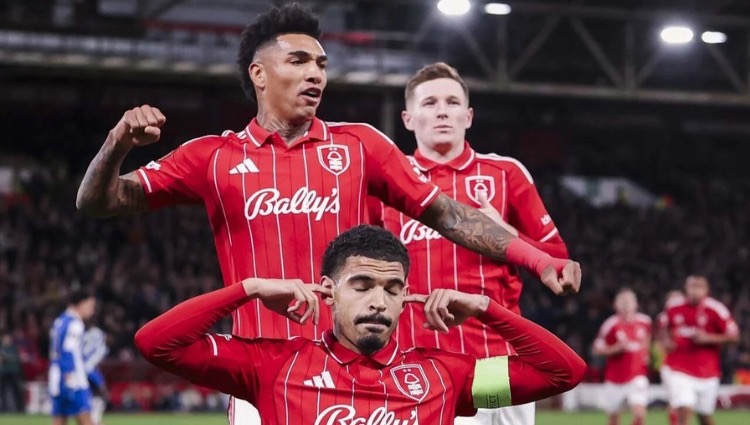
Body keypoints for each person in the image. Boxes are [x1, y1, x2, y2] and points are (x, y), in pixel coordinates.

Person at [75, 5, 578, 424]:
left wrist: (539, 261)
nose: (315, 73)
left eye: (321, 63)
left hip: (359, 371)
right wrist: (117, 143)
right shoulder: (212, 156)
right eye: (298, 61)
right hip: (261, 374)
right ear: (258, 74)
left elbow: (449, 215)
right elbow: (98, 201)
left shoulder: (361, 145)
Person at [134, 225, 585, 424]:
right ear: (328, 291)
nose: (378, 302)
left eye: (392, 289)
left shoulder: (446, 377)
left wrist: (486, 307)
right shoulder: (271, 367)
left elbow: (562, 373)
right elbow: (157, 343)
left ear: (406, 297)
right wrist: (248, 288)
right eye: (362, 285)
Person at [368, 62, 571, 425]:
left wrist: (506, 233)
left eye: (452, 102)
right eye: (429, 103)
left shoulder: (505, 174)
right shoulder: (389, 183)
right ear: (408, 119)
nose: (442, 111)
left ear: (469, 115)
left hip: (503, 359)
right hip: (428, 365)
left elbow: (557, 262)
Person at [658, 276, 739, 425]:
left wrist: (709, 338)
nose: (695, 291)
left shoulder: (716, 309)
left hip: (707, 372)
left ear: (706, 290)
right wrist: (666, 342)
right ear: (686, 288)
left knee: (704, 417)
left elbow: (734, 336)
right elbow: (662, 328)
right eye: (692, 286)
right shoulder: (674, 307)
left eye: (699, 287)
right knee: (685, 408)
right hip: (679, 370)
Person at [592, 288, 651, 425]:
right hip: (615, 378)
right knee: (613, 419)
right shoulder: (610, 325)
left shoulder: (645, 322)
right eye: (623, 302)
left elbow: (647, 338)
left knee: (639, 415)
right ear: (616, 305)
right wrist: (615, 348)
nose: (626, 305)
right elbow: (597, 349)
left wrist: (645, 354)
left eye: (629, 302)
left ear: (636, 304)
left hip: (637, 375)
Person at [49, 291, 97, 425]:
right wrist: (69, 374)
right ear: (81, 304)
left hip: (56, 376)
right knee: (85, 418)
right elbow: (68, 350)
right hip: (72, 377)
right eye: (90, 306)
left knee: (59, 418)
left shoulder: (59, 321)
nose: (92, 311)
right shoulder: (75, 323)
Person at [82, 325, 108, 425]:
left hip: (92, 395)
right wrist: (101, 384)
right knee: (94, 420)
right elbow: (90, 367)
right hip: (92, 392)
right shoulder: (99, 350)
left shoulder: (85, 349)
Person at [0, 333, 25, 413]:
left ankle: (19, 408)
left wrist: (6, 358)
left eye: (9, 339)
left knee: (17, 390)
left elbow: (19, 358)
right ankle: (3, 408)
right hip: (4, 372)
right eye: (6, 339)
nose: (7, 340)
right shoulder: (1, 348)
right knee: (2, 391)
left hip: (14, 371)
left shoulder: (14, 348)